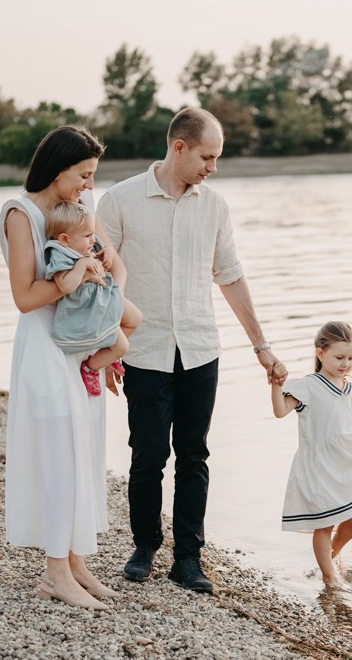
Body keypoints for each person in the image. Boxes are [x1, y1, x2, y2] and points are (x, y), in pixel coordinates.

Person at [96, 107, 286, 595]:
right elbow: (100, 284)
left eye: (217, 158)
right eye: (208, 156)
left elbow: (230, 275)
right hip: (143, 350)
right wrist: (106, 348)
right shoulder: (118, 201)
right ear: (179, 147)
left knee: (194, 455)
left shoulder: (215, 206)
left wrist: (261, 346)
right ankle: (144, 546)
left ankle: (188, 558)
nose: (213, 167)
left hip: (200, 348)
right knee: (147, 454)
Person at [0, 125, 119, 610]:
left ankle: (75, 561)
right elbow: (25, 298)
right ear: (58, 167)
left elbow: (111, 261)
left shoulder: (81, 210)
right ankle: (53, 574)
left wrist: (108, 295)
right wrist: (73, 281)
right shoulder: (20, 212)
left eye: (93, 176)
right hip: (44, 343)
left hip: (80, 339)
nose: (89, 186)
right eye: (84, 175)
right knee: (58, 454)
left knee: (84, 449)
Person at [271, 320, 352, 588]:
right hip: (318, 467)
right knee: (325, 524)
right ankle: (330, 580)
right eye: (339, 357)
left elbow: (348, 426)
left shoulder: (348, 390)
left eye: (351, 357)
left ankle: (332, 555)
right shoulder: (309, 386)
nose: (345, 363)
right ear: (321, 353)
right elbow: (281, 410)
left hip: (343, 462)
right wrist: (275, 385)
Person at [43, 201, 143, 396]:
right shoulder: (59, 253)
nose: (93, 239)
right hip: (90, 305)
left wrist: (107, 253)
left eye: (92, 234)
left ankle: (108, 349)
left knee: (135, 318)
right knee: (122, 347)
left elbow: (106, 257)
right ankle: (92, 366)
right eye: (88, 235)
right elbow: (65, 285)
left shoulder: (84, 245)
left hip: (106, 294)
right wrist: (82, 266)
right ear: (65, 239)